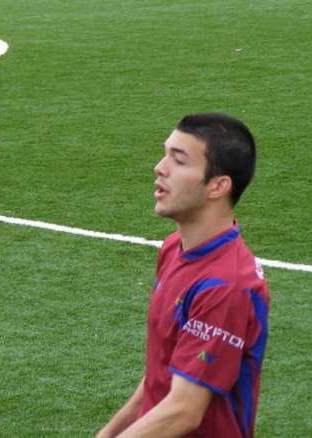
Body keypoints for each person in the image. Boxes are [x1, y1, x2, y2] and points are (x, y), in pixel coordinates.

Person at [97, 113, 269, 438]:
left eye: (179, 160)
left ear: (218, 186)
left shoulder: (228, 286)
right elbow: (160, 375)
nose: (160, 168)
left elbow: (184, 411)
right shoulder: (173, 248)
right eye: (165, 154)